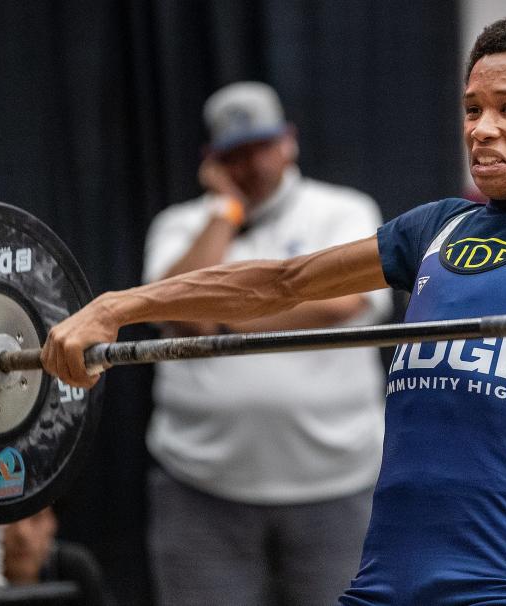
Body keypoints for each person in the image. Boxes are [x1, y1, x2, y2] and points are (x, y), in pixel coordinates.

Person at [42, 15, 506, 605]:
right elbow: (282, 280)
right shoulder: (438, 227)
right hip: (380, 580)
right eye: (472, 109)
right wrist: (117, 305)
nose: (480, 128)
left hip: (495, 580)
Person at [141, 82, 392, 605]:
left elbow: (347, 299)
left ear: (288, 142)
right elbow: (178, 312)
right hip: (201, 486)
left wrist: (227, 318)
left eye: (261, 146)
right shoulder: (181, 225)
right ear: (212, 161)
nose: (252, 164)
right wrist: (224, 214)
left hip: (337, 484)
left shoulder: (342, 211)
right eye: (235, 154)